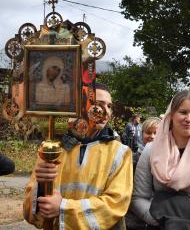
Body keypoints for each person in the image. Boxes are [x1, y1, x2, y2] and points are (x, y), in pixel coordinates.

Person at [23, 83, 133, 229]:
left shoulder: (120, 152)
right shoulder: (53, 149)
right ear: (79, 107)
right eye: (99, 104)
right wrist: (42, 187)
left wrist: (63, 208)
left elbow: (116, 204)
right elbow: (30, 213)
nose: (106, 111)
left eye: (109, 106)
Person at [130, 90, 190, 229]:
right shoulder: (151, 150)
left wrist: (188, 220)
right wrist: (162, 220)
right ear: (171, 115)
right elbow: (138, 197)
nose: (188, 118)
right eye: (183, 112)